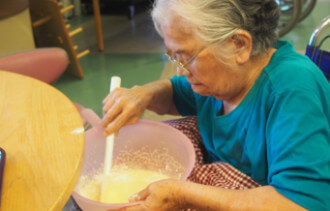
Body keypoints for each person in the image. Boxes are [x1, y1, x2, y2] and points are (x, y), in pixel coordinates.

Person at [102, 0, 330, 210]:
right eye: (175, 56)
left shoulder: (292, 90)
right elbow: (175, 92)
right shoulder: (220, 79)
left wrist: (183, 194)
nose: (181, 70)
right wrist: (144, 94)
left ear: (239, 45)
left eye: (187, 56)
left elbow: (303, 203)